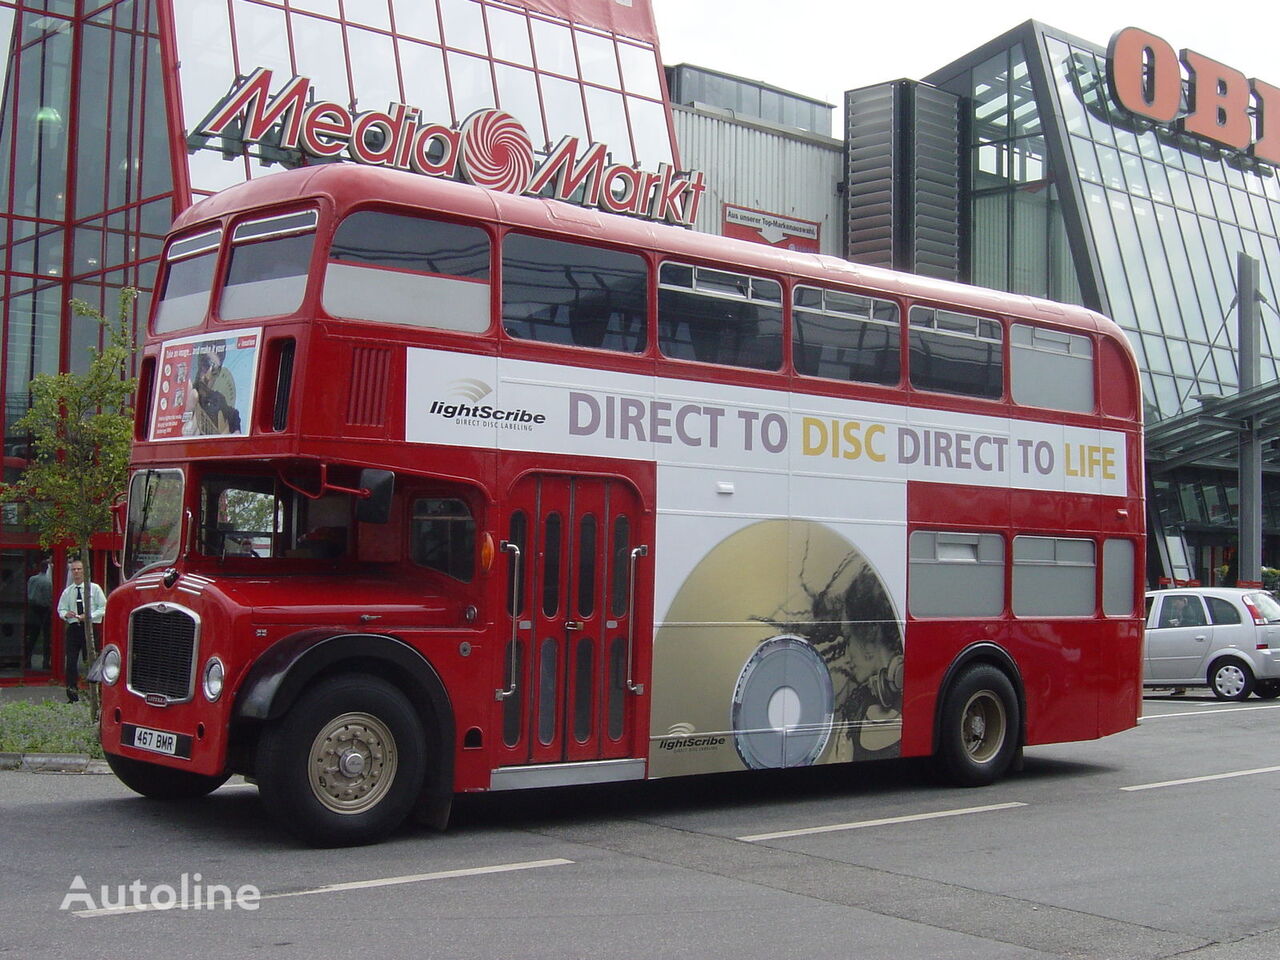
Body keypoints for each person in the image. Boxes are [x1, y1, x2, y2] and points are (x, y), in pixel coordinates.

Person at [56, 560, 106, 703]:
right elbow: (61, 609)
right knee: (71, 663)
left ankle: (94, 696)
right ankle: (72, 695)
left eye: (79, 569)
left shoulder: (94, 589)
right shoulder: (68, 591)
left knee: (90, 661)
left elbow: (103, 607)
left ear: (84, 571)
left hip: (89, 628)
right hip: (73, 628)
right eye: (74, 570)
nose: (76, 572)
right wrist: (66, 614)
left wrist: (89, 616)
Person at [187, 341, 241, 435]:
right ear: (199, 362)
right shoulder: (186, 390)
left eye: (214, 370)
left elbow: (234, 416)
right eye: (206, 364)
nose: (208, 375)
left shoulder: (220, 401)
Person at [24, 559, 52, 670]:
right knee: (46, 638)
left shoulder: (32, 579)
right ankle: (46, 662)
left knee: (32, 637)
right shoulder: (47, 582)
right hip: (44, 610)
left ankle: (27, 661)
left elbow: (28, 593)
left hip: (32, 609)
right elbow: (48, 598)